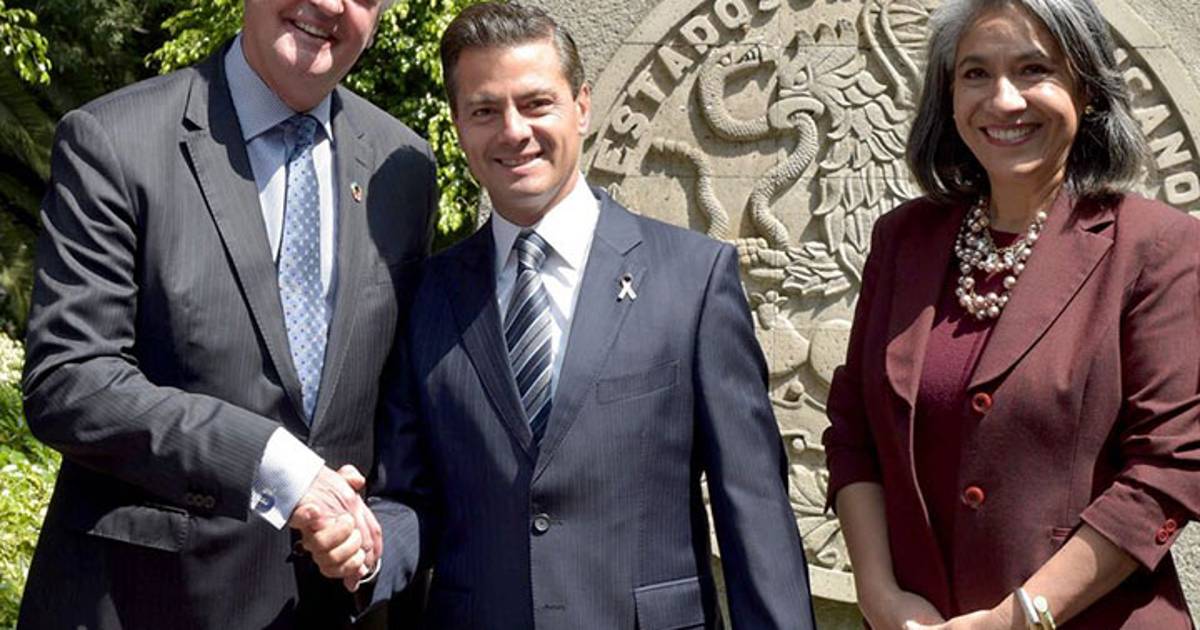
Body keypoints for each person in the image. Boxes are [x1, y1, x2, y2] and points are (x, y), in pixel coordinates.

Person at [300, 3, 817, 628]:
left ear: (582, 106)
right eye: (485, 111)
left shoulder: (693, 281)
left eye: (536, 103)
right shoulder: (427, 296)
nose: (513, 131)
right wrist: (370, 546)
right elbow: (413, 499)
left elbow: (753, 512)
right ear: (459, 127)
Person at [17, 0, 438, 627]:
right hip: (146, 604)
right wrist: (276, 467)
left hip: (323, 609)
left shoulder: (403, 168)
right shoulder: (116, 139)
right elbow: (70, 380)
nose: (329, 6)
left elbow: (402, 414)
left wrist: (375, 541)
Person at [822, 0, 1200, 627]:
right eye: (976, 73)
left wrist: (1016, 620)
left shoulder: (1157, 248)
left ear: (1086, 87)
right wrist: (879, 595)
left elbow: (1168, 467)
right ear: (948, 97)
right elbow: (853, 431)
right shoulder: (903, 240)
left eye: (1033, 70)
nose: (1003, 100)